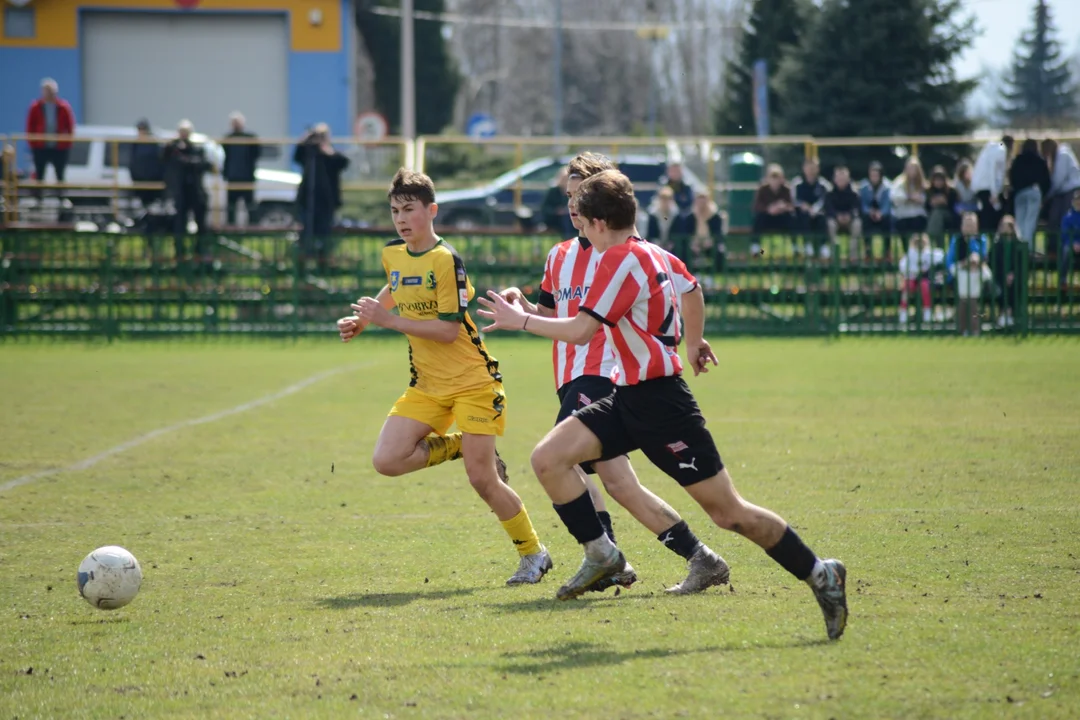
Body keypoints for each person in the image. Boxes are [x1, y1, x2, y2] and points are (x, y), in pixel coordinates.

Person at [477, 169, 849, 640]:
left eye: (582, 217)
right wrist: (693, 342)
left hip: (663, 404)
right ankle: (602, 553)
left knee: (729, 513)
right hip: (625, 397)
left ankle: (820, 572)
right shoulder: (649, 252)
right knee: (548, 459)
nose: (579, 226)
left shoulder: (621, 261)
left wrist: (521, 320)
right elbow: (688, 291)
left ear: (597, 221)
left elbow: (579, 331)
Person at [497, 152, 731, 596]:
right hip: (569, 375)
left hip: (602, 373)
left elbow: (684, 288)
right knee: (619, 482)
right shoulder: (559, 255)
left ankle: (605, 554)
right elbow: (551, 314)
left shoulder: (618, 253)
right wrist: (521, 309)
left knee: (566, 463)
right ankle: (696, 557)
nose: (571, 206)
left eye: (579, 196)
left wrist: (694, 339)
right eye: (567, 196)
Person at [336, 168, 551, 586]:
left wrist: (388, 321)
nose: (401, 218)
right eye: (395, 210)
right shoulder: (393, 253)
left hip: (474, 381)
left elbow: (449, 329)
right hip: (428, 384)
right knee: (387, 460)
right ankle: (457, 448)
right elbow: (395, 284)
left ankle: (534, 555)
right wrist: (367, 320)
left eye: (410, 209)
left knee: (482, 479)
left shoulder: (446, 260)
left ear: (431, 210)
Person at [294, 123, 349, 267]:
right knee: (306, 231)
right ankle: (304, 259)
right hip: (308, 200)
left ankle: (323, 261)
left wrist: (326, 149)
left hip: (326, 200)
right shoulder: (309, 153)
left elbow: (343, 162)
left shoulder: (330, 154)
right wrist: (305, 138)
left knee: (325, 231)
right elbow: (296, 156)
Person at [161, 119, 211, 261]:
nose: (183, 134)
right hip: (180, 192)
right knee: (179, 224)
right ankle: (179, 253)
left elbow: (205, 164)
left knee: (201, 223)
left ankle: (200, 252)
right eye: (181, 132)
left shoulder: (197, 148)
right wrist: (172, 148)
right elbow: (163, 159)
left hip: (195, 191)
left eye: (186, 132)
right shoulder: (172, 148)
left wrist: (188, 160)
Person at [24, 77, 76, 200]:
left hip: (59, 147)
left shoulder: (63, 107)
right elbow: (29, 127)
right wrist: (33, 143)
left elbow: (70, 127)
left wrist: (67, 142)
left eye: (52, 91)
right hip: (41, 147)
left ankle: (62, 199)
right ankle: (38, 200)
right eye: (47, 91)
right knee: (39, 174)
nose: (50, 94)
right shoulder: (36, 107)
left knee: (60, 175)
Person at [1008, 139, 1051, 249]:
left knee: (1020, 221)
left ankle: (1019, 247)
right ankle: (1027, 249)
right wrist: (1043, 195)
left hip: (1020, 193)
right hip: (1034, 191)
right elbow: (1046, 181)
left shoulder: (1017, 160)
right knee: (1030, 221)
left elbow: (1012, 178)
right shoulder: (1040, 160)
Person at [222, 111, 261, 227]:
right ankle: (230, 227)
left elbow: (256, 154)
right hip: (232, 176)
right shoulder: (228, 138)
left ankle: (253, 227)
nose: (236, 124)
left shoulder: (250, 138)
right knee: (231, 206)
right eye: (234, 122)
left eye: (238, 122)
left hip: (247, 176)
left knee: (250, 204)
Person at [897, 233, 944, 325]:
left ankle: (927, 312)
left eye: (922, 242)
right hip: (911, 278)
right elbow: (902, 265)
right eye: (917, 242)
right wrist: (913, 271)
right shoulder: (910, 253)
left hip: (924, 279)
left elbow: (940, 256)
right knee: (906, 288)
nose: (919, 244)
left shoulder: (930, 253)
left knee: (925, 286)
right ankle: (903, 312)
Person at [971, 135, 1014, 234]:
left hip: (981, 188)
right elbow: (994, 172)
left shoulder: (991, 149)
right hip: (988, 189)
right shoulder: (1001, 150)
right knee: (991, 218)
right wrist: (994, 192)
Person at [750, 164, 795, 257]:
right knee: (758, 218)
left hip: (781, 220)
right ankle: (757, 250)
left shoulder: (786, 189)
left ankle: (795, 248)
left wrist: (782, 207)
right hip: (767, 220)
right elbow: (756, 206)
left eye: (777, 177)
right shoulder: (762, 189)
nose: (775, 180)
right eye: (772, 177)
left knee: (792, 218)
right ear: (768, 179)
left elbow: (791, 206)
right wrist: (769, 209)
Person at [989, 215, 1024, 329]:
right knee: (1000, 287)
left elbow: (1021, 263)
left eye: (1009, 226)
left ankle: (1011, 315)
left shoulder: (1019, 245)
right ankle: (1004, 314)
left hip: (1016, 277)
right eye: (1003, 226)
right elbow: (993, 264)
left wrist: (1013, 274)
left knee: (1015, 287)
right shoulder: (996, 246)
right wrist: (1003, 275)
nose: (1006, 228)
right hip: (999, 277)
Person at [1042, 140, 1080, 243]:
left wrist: (1047, 196)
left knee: (1065, 219)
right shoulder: (1060, 155)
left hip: (1070, 190)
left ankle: (1065, 247)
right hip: (1061, 192)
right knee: (1053, 219)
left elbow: (1059, 179)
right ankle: (1053, 248)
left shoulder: (1063, 155)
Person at [824, 165, 862, 260]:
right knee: (830, 224)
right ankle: (834, 256)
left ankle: (853, 257)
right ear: (834, 178)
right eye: (839, 177)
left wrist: (850, 216)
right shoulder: (829, 193)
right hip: (835, 220)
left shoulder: (854, 193)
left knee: (857, 224)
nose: (841, 180)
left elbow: (857, 209)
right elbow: (828, 209)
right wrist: (837, 216)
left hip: (850, 220)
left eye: (843, 178)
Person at [891, 158, 927, 252]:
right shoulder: (899, 182)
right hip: (903, 215)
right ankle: (907, 252)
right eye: (910, 168)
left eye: (914, 168)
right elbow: (894, 196)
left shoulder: (922, 183)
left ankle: (919, 252)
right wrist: (908, 197)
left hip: (918, 215)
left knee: (918, 226)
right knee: (903, 227)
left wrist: (919, 199)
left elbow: (925, 198)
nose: (912, 171)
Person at [860, 161, 892, 257]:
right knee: (865, 220)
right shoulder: (864, 187)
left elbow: (888, 204)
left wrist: (881, 213)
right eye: (872, 175)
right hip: (869, 214)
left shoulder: (887, 187)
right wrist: (870, 212)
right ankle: (867, 250)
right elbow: (862, 204)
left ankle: (887, 251)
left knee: (888, 221)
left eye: (876, 175)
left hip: (882, 215)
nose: (874, 178)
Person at [924, 165, 958, 246]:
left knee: (938, 213)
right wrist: (932, 203)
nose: (938, 182)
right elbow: (926, 208)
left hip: (949, 217)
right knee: (937, 215)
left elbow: (953, 206)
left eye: (941, 180)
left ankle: (929, 237)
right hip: (934, 219)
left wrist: (945, 202)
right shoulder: (928, 191)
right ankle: (939, 247)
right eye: (936, 180)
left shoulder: (951, 191)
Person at [1058, 190, 1080, 292]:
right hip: (1070, 245)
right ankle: (1063, 281)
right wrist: (1073, 243)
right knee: (1066, 250)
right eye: (1077, 199)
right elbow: (1065, 235)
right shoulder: (1067, 217)